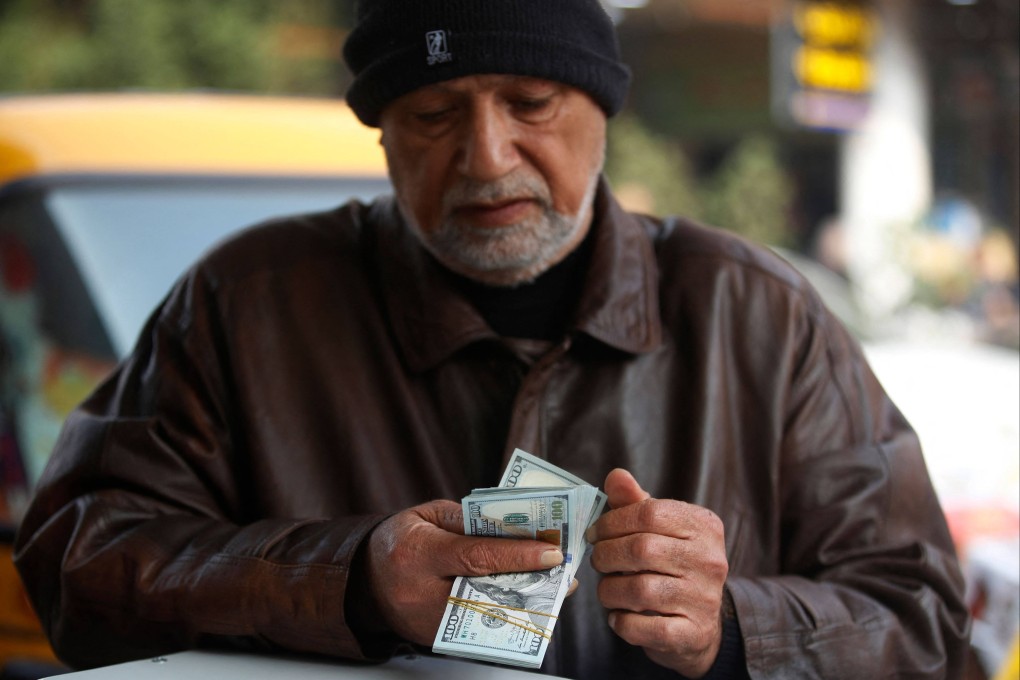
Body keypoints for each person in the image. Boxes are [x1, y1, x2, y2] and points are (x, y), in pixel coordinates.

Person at [14, 0, 970, 678]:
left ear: (604, 114)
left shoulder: (756, 312)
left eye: (531, 103)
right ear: (382, 135)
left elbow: (925, 626)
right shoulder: (247, 302)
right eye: (433, 114)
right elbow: (77, 567)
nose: (485, 155)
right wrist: (352, 583)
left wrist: (731, 628)